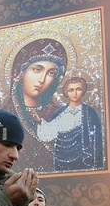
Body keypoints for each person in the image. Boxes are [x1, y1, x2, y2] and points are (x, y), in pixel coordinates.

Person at [5, 38, 68, 172]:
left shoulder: (60, 116)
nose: (42, 79)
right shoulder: (3, 116)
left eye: (51, 73)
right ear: (20, 72)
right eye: (37, 69)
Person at [37, 76, 104, 172]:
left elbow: (97, 138)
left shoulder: (90, 112)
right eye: (71, 90)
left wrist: (96, 160)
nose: (75, 93)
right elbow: (49, 134)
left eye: (78, 89)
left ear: (83, 91)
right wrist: (40, 121)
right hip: (61, 158)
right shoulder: (60, 113)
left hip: (83, 158)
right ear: (66, 92)